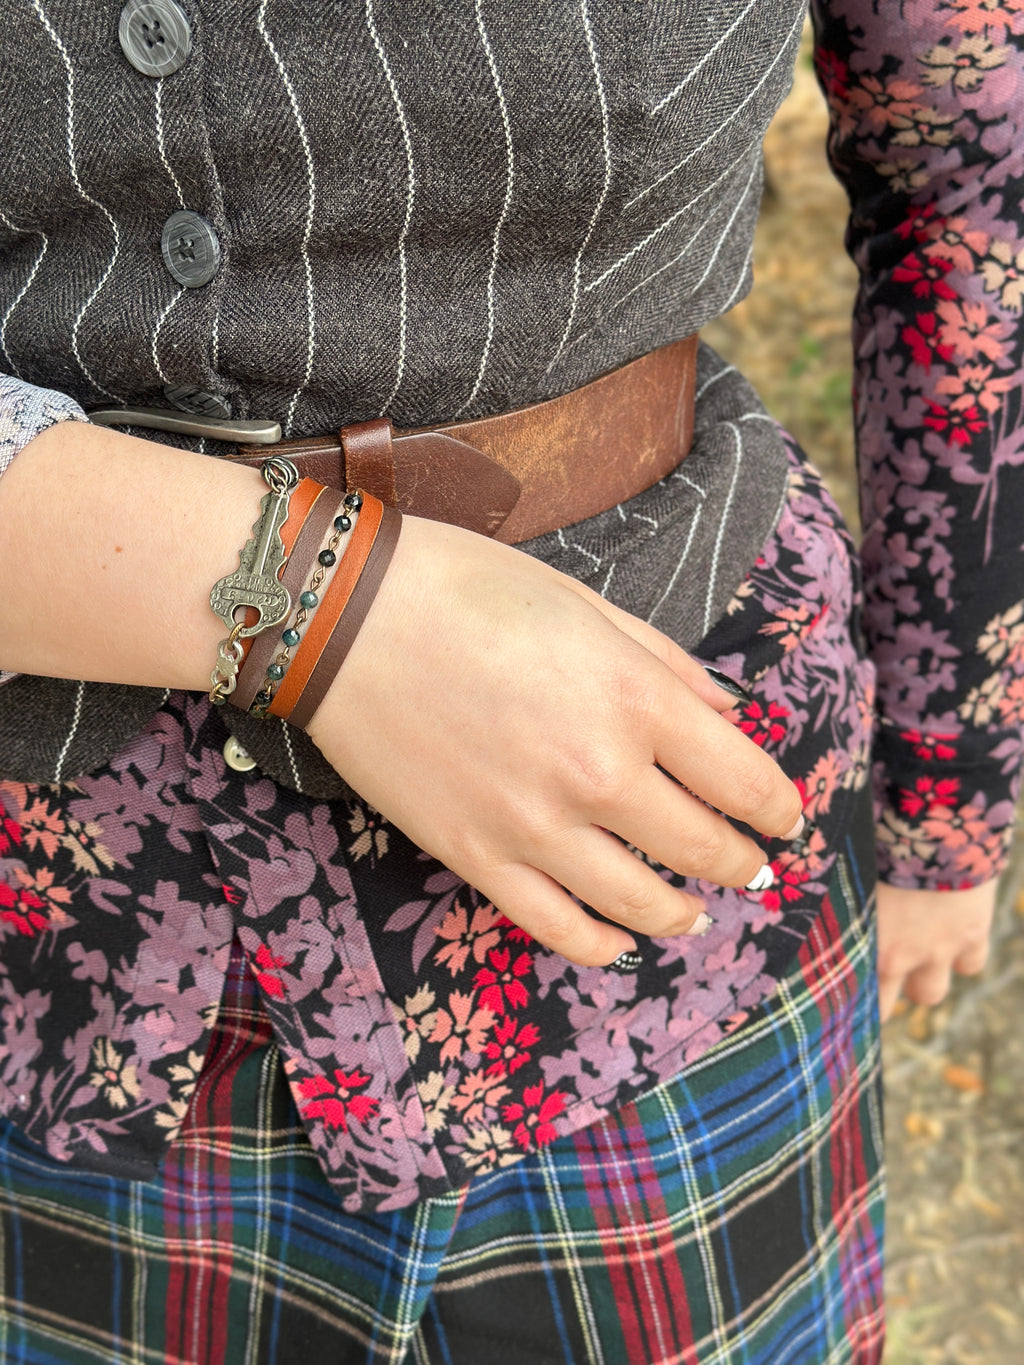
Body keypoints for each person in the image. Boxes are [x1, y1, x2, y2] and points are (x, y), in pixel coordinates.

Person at [0, 1, 1019, 1361]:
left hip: (676, 893)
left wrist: (951, 783)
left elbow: (971, 171)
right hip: (59, 970)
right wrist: (317, 606)